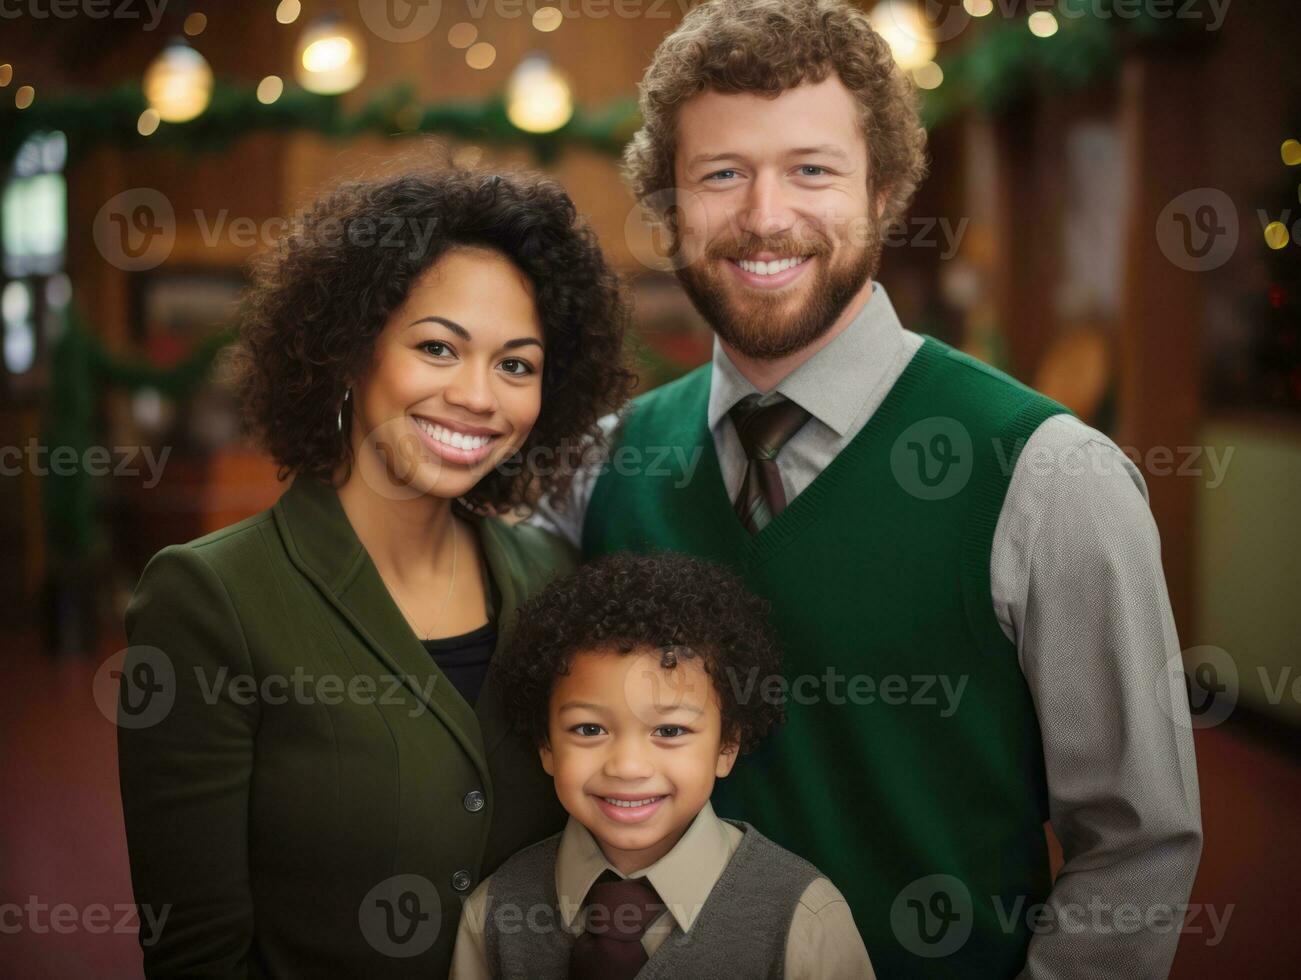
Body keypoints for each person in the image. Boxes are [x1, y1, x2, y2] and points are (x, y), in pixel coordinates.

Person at [533, 1, 1204, 977]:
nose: (764, 215)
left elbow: (1135, 846)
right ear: (669, 207)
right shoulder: (598, 465)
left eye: (811, 169)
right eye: (720, 174)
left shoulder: (1048, 475)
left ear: (885, 190)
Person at [116, 166, 634, 977]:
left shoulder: (552, 579)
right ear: (350, 354)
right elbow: (196, 953)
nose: (478, 396)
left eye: (516, 364)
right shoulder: (209, 598)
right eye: (437, 348)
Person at [449, 551, 874, 979]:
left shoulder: (804, 919)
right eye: (590, 730)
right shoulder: (492, 915)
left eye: (669, 732)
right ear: (546, 745)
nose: (628, 767)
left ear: (726, 746)